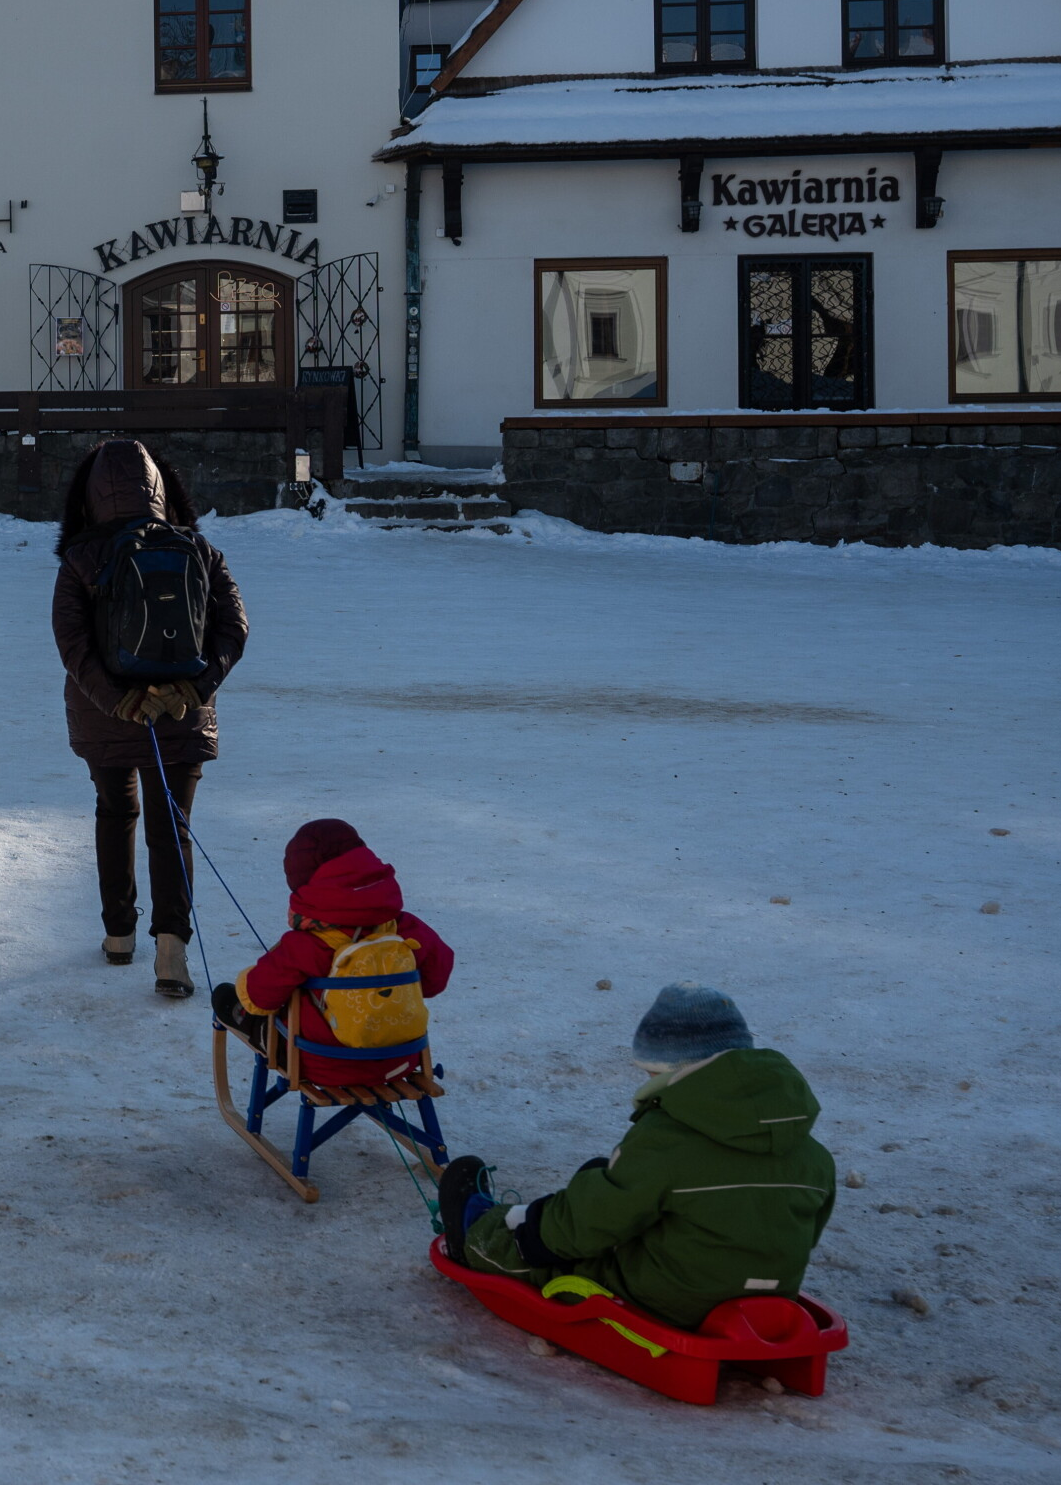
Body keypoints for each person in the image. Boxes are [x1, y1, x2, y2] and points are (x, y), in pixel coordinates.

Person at [438, 985, 838, 1330]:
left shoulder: (666, 1140)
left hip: (671, 1301)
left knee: (563, 1256)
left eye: (650, 1073)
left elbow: (586, 1225)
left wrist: (534, 1234)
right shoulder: (813, 1154)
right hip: (769, 1306)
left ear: (673, 1071)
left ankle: (478, 1237)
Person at [51, 438, 246, 993]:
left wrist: (119, 701)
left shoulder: (82, 558)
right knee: (171, 829)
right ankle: (171, 955)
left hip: (107, 714)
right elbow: (233, 628)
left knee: (115, 813)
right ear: (161, 488)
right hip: (182, 713)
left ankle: (118, 935)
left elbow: (72, 644)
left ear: (90, 495)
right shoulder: (199, 549)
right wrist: (193, 688)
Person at [209, 819, 454, 1085]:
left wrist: (246, 981)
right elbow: (435, 982)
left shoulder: (309, 943)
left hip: (324, 1064)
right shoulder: (407, 930)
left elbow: (258, 998)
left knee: (230, 999)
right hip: (401, 1059)